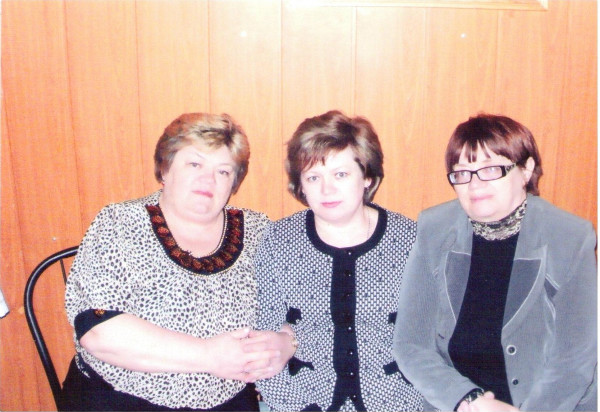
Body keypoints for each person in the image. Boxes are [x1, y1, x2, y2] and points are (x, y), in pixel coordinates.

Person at [62, 112, 278, 411]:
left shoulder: (260, 232)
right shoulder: (120, 224)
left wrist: (285, 341)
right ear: (165, 169)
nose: (208, 179)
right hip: (121, 399)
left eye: (223, 171)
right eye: (195, 164)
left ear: (234, 183)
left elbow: (303, 309)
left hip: (228, 400)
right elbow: (97, 330)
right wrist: (209, 355)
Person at [392, 113, 597, 412]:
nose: (474, 185)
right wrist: (467, 400)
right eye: (462, 173)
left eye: (491, 169)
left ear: (525, 170)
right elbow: (411, 345)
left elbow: (574, 360)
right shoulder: (434, 230)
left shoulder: (569, 237)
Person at [251, 110, 423, 411]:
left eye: (340, 174)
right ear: (300, 185)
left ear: (367, 177)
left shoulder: (412, 240)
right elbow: (263, 347)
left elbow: (431, 343)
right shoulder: (278, 241)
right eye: (313, 177)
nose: (326, 189)